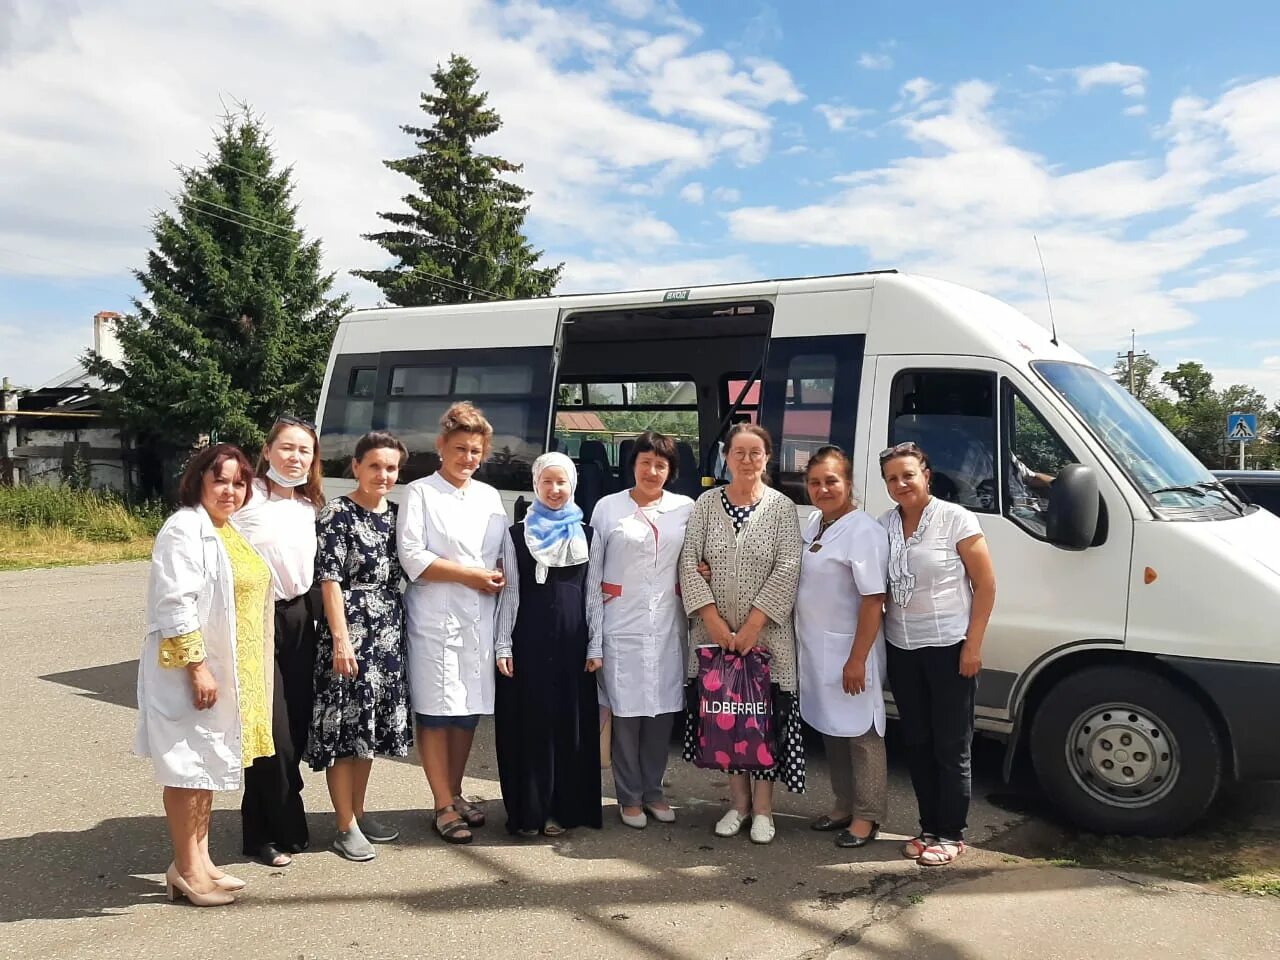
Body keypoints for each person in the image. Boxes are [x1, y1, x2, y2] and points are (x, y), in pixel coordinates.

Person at [135, 444, 274, 906]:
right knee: (186, 769)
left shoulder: (225, 528)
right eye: (221, 481)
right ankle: (186, 870)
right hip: (193, 671)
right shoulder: (184, 528)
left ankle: (200, 859)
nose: (230, 490)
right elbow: (174, 603)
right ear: (198, 481)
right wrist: (197, 666)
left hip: (227, 669)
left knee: (208, 765)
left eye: (239, 482)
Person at [678, 423, 804, 845]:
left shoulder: (782, 508)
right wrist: (714, 622)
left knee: (763, 720)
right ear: (726, 457)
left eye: (755, 453)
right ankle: (738, 804)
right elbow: (688, 562)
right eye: (739, 453)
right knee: (727, 720)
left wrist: (752, 625)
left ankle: (765, 809)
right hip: (715, 640)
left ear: (767, 457)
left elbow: (789, 566)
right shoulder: (706, 504)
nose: (747, 460)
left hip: (766, 639)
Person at [878, 442, 996, 867]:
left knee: (952, 745)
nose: (901, 484)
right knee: (918, 742)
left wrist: (973, 645)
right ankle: (928, 827)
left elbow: (985, 585)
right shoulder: (885, 525)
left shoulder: (955, 519)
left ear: (926, 474)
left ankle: (951, 833)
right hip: (903, 648)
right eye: (892, 478)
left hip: (949, 647)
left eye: (908, 474)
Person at [397, 402, 508, 844]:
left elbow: (502, 553)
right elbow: (413, 557)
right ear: (441, 447)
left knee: (466, 713)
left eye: (476, 451)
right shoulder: (420, 492)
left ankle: (456, 792)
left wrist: (497, 574)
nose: (468, 458)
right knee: (436, 713)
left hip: (480, 617)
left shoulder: (488, 496)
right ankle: (441, 803)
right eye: (460, 448)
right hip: (435, 616)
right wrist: (472, 576)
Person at [307, 432, 413, 861]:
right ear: (356, 467)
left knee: (368, 728)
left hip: (388, 631)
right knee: (344, 728)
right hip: (349, 632)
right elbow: (329, 580)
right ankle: (343, 824)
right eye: (375, 466)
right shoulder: (336, 514)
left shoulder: (399, 516)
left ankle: (360, 809)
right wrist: (340, 639)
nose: (383, 475)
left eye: (391, 468)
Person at [494, 452, 605, 837]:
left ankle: (563, 809)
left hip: (574, 645)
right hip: (529, 642)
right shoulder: (515, 534)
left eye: (562, 483)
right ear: (536, 485)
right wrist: (502, 645)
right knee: (531, 726)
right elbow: (509, 595)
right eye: (547, 482)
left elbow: (593, 594)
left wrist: (596, 646)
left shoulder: (589, 535)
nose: (555, 490)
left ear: (572, 485)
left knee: (568, 726)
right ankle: (529, 811)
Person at [231, 415, 324, 867]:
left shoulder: (309, 505)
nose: (295, 457)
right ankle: (268, 832)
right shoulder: (247, 498)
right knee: (273, 732)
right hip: (256, 619)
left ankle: (273, 821)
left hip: (300, 617)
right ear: (267, 451)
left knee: (298, 727)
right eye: (287, 448)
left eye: (304, 450)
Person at [589, 431, 693, 828]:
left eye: (661, 465)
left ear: (671, 470)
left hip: (668, 624)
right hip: (621, 623)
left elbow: (697, 557)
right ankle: (629, 796)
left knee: (661, 715)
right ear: (632, 465)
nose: (652, 471)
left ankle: (655, 790)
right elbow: (593, 573)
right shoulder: (607, 508)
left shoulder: (686, 508)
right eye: (645, 462)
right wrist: (593, 633)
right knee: (626, 715)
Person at [794, 446, 890, 849]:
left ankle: (867, 816)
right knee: (833, 729)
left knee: (863, 734)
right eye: (815, 482)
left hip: (852, 652)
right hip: (818, 651)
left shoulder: (863, 531)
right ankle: (843, 803)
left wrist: (857, 659)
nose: (823, 489)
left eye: (831, 480)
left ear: (849, 483)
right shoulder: (817, 522)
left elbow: (873, 600)